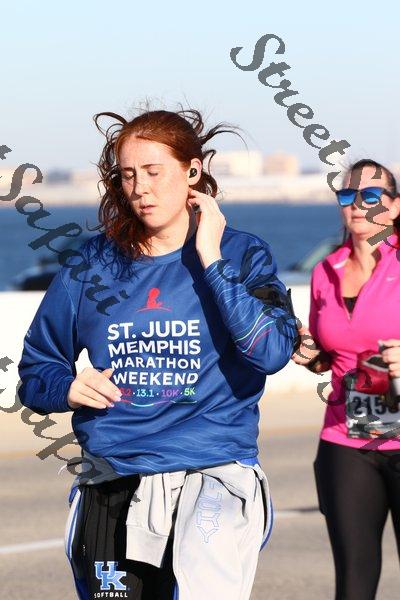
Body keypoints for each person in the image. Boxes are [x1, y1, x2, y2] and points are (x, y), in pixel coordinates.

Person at [17, 104, 298, 600]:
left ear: (192, 171)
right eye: (127, 175)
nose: (140, 188)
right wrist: (67, 387)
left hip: (212, 474)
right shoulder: (92, 264)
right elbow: (37, 372)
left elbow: (271, 352)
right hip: (112, 480)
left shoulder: (242, 254)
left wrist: (210, 257)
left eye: (153, 171)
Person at [292, 158, 400, 600]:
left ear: (394, 207)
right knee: (353, 586)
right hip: (346, 441)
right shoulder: (326, 271)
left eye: (370, 195)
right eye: (347, 195)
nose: (357, 204)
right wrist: (309, 354)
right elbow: (328, 355)